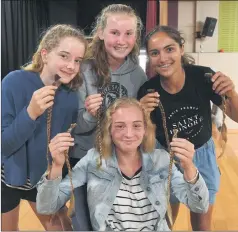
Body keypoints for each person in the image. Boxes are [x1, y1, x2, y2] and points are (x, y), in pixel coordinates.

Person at [36, 97, 209, 231]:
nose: (128, 134)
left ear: (145, 129)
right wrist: (56, 167)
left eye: (136, 125)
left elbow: (199, 205)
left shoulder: (161, 160)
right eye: (120, 126)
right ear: (109, 130)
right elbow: (46, 206)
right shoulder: (93, 160)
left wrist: (189, 168)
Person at [138, 25, 238, 230]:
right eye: (155, 53)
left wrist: (232, 93)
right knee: (165, 223)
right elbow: (143, 142)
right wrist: (142, 117)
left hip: (202, 156)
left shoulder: (203, 78)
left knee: (202, 223)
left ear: (181, 49)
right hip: (166, 160)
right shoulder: (147, 91)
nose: (163, 58)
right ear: (149, 57)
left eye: (169, 49)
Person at [66, 4, 147, 229]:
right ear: (100, 33)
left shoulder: (137, 74)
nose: (122, 40)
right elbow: (75, 127)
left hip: (121, 162)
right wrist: (91, 115)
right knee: (83, 222)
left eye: (129, 33)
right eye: (114, 32)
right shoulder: (82, 70)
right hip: (83, 158)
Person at [1, 24, 87, 231]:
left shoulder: (70, 97)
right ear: (45, 54)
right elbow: (4, 145)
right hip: (8, 177)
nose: (71, 66)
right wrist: (30, 113)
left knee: (62, 227)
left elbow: (63, 150)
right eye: (64, 56)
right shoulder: (14, 82)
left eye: (77, 60)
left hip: (44, 179)